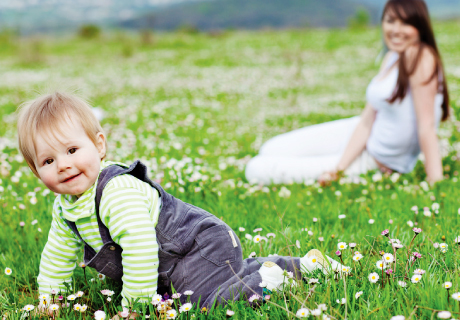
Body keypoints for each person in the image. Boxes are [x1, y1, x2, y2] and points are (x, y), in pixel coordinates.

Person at [16, 92, 346, 309]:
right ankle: (302, 265)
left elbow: (141, 246)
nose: (63, 165)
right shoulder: (66, 208)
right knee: (207, 286)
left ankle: (273, 278)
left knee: (208, 301)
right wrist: (49, 299)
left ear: (99, 146)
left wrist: (136, 305)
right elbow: (57, 255)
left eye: (72, 150)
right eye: (48, 161)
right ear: (35, 170)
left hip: (196, 245)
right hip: (172, 262)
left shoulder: (114, 193)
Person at [245, 0, 449, 185]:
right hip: (359, 133)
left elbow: (426, 127)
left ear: (420, 27)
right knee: (271, 148)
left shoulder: (421, 57)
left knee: (256, 169)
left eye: (406, 23)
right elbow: (367, 120)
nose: (396, 30)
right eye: (390, 20)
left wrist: (435, 183)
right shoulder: (393, 57)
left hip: (377, 160)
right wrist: (340, 167)